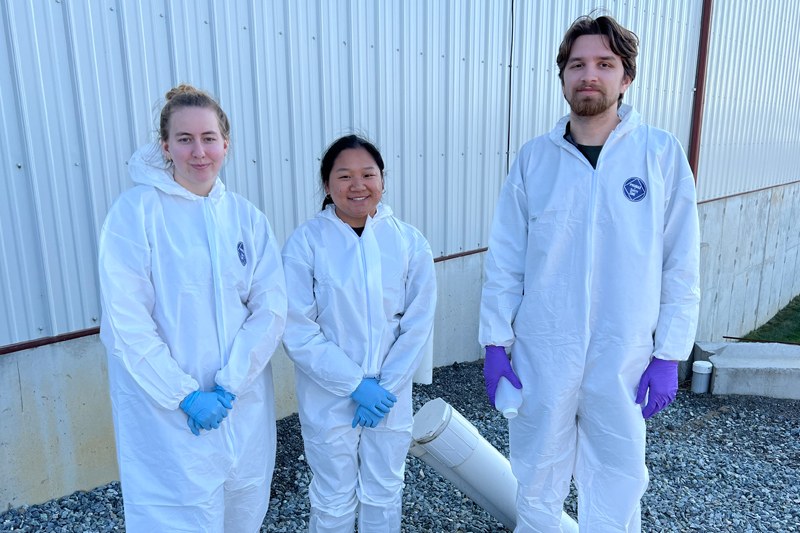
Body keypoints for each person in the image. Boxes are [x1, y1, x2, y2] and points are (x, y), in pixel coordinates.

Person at [479, 14, 700, 532]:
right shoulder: (535, 161)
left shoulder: (661, 156)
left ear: (626, 78)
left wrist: (669, 353)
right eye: (577, 64)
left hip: (623, 354)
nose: (589, 75)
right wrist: (494, 342)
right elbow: (506, 260)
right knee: (535, 478)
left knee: (618, 480)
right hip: (544, 350)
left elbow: (681, 264)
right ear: (562, 78)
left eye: (605, 63)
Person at [98, 84, 287, 532]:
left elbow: (271, 307)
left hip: (240, 406)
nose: (198, 151)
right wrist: (181, 393)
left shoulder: (246, 218)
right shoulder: (136, 213)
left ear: (226, 144)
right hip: (167, 414)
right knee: (176, 515)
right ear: (165, 146)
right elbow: (126, 320)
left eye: (208, 138)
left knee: (244, 506)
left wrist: (231, 384)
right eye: (184, 139)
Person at [281, 135, 437, 533]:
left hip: (389, 396)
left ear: (382, 180)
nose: (357, 185)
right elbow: (297, 328)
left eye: (368, 174)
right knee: (333, 496)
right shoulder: (306, 243)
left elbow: (417, 324)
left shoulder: (407, 242)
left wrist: (385, 386)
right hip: (328, 396)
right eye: (344, 175)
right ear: (327, 183)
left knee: (384, 490)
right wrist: (354, 384)